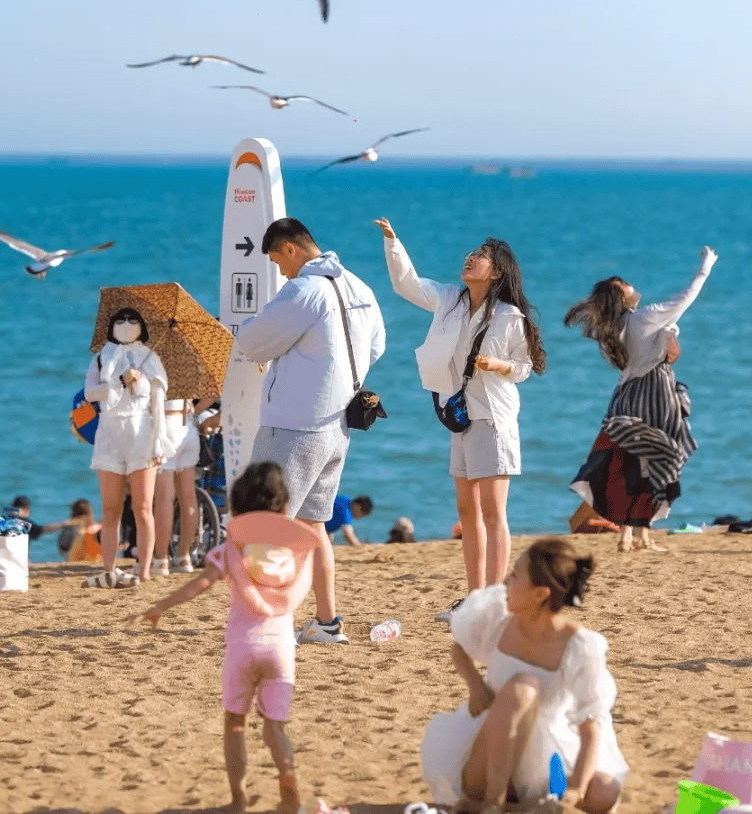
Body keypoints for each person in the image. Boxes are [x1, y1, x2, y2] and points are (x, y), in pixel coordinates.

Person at [374, 218, 545, 602]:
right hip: (461, 416)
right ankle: (473, 597)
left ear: (497, 271)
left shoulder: (509, 317)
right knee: (466, 510)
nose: (469, 259)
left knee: (492, 511)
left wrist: (499, 366)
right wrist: (393, 241)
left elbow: (524, 367)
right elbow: (408, 285)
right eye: (470, 255)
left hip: (494, 416)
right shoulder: (450, 299)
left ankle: (495, 598)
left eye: (479, 257)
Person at [234, 218, 385, 646]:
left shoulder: (303, 289)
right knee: (314, 525)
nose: (279, 271)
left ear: (290, 249)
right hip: (338, 424)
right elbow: (375, 347)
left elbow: (252, 341)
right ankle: (326, 621)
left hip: (295, 423)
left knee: (268, 525)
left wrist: (296, 359)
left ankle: (267, 620)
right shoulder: (359, 286)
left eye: (276, 261)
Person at [131, 461, 314, 814]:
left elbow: (199, 585)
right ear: (285, 508)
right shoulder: (294, 555)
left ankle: (238, 799)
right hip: (281, 649)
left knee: (235, 725)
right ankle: (287, 780)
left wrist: (159, 608)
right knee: (275, 729)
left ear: (239, 509)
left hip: (242, 648)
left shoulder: (233, 550)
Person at [420, 535, 628, 812]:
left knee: (605, 791)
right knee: (522, 689)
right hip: (487, 759)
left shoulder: (580, 646)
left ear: (541, 593)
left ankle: (519, 806)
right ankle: (494, 802)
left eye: (516, 575)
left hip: (546, 758)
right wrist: (475, 685)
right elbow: (459, 648)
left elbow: (592, 726)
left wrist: (576, 790)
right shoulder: (498, 619)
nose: (506, 581)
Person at [565, 248, 717, 554]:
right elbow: (687, 297)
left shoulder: (614, 328)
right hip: (656, 395)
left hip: (625, 397)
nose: (634, 287)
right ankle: (638, 535)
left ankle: (634, 536)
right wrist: (706, 267)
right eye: (627, 285)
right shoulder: (645, 318)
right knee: (657, 460)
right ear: (621, 293)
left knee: (629, 464)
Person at [83, 304, 169, 588]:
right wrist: (120, 381)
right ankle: (109, 569)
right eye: (121, 320)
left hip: (142, 436)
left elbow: (158, 405)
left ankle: (144, 570)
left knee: (143, 508)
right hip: (109, 435)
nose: (127, 323)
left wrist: (159, 442)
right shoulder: (101, 358)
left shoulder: (151, 358)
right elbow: (90, 393)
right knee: (110, 509)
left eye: (133, 319)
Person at [152, 395, 217, 576]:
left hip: (164, 426)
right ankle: (184, 557)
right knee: (188, 497)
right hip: (187, 425)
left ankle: (162, 560)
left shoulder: (156, 366)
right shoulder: (190, 367)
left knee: (164, 499)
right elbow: (212, 390)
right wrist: (195, 412)